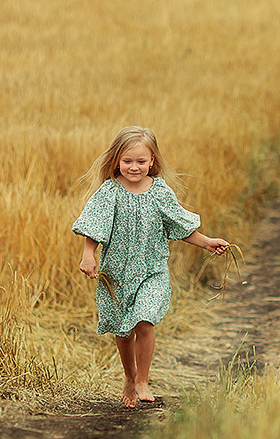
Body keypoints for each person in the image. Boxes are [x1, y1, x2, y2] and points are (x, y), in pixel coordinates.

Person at [73, 126, 229, 407]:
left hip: (151, 271)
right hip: (117, 275)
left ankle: (143, 379)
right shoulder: (110, 192)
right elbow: (94, 227)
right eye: (128, 161)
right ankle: (130, 378)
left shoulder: (159, 192)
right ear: (117, 160)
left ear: (153, 160)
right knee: (123, 331)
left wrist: (206, 242)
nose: (134, 167)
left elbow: (179, 225)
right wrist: (88, 255)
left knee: (144, 321)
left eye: (141, 162)